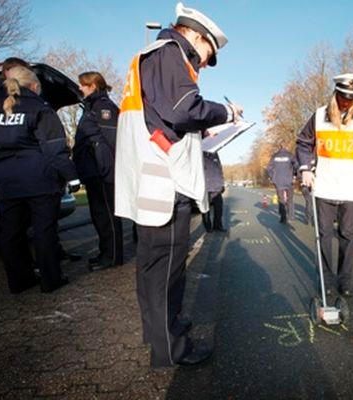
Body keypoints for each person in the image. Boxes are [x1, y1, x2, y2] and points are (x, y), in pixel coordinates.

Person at [114, 2, 242, 368]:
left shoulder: (150, 56)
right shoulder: (170, 54)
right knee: (167, 268)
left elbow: (165, 118)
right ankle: (171, 348)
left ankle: (158, 329)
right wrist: (226, 113)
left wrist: (203, 128)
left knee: (152, 266)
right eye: (206, 54)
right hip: (164, 182)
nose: (203, 63)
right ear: (195, 36)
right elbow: (184, 110)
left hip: (149, 176)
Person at [0, 66, 80, 293]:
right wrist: (71, 177)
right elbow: (54, 149)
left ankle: (20, 282)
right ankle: (51, 280)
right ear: (33, 86)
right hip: (39, 180)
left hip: (7, 183)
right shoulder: (40, 108)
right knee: (44, 231)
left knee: (11, 234)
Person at [296, 73, 353, 298]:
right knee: (324, 235)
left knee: (347, 235)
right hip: (324, 186)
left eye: (351, 98)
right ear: (336, 94)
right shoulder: (319, 116)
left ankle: (344, 281)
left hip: (351, 188)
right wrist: (305, 169)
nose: (346, 102)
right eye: (343, 97)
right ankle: (325, 280)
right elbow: (304, 143)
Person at [73, 71, 123, 271]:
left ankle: (112, 257)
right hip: (94, 170)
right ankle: (106, 252)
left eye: (82, 85)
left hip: (103, 171)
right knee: (99, 215)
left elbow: (112, 141)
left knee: (107, 215)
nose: (79, 88)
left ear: (93, 85)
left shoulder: (104, 108)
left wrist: (104, 167)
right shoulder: (92, 107)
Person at [266, 147, 298, 224]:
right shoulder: (290, 155)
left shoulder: (274, 156)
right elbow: (296, 165)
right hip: (289, 180)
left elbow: (269, 168)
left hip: (278, 181)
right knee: (290, 199)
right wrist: (295, 174)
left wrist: (273, 177)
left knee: (281, 200)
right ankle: (291, 216)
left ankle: (283, 218)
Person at [202, 151, 226, 232]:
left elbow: (219, 169)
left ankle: (218, 226)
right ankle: (208, 227)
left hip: (216, 187)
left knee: (219, 208)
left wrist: (222, 183)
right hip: (205, 187)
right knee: (206, 209)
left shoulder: (215, 153)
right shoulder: (200, 152)